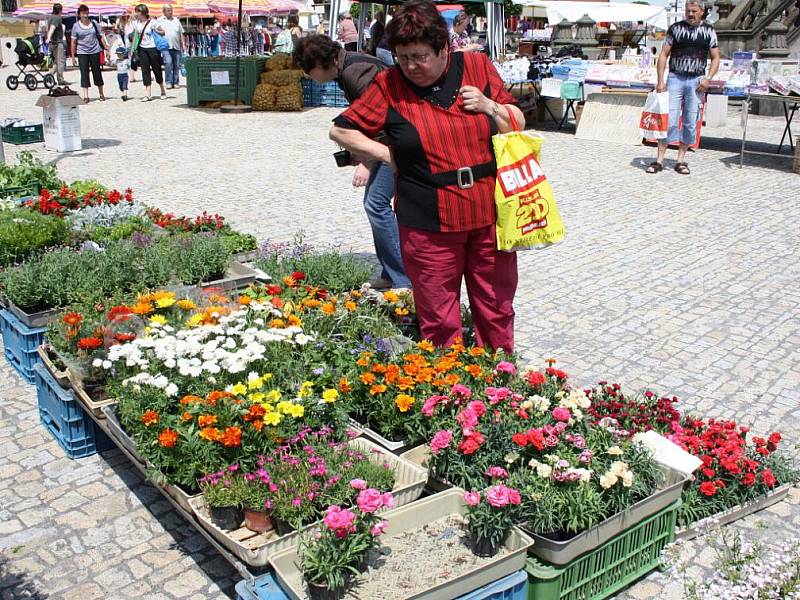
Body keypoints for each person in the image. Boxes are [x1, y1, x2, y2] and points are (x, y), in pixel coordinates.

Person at [330, 0, 523, 351]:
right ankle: (450, 390)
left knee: (495, 307)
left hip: (488, 213)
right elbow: (342, 131)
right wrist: (388, 155)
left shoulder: (477, 66)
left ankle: (500, 382)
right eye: (403, 57)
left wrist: (489, 106)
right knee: (438, 316)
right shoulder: (390, 85)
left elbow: (518, 123)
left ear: (443, 48)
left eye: (419, 56)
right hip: (426, 219)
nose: (411, 66)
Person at [294, 34, 411, 291]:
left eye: (308, 69)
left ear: (321, 62)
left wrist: (367, 162)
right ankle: (391, 272)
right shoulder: (349, 67)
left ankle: (404, 279)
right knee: (375, 204)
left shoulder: (355, 71)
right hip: (389, 143)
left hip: (394, 143)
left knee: (376, 204)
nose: (308, 75)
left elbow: (381, 118)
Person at [647, 0, 720, 175]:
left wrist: (708, 78)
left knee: (690, 121)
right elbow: (664, 55)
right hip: (675, 78)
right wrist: (660, 80)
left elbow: (716, 58)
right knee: (668, 119)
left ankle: (680, 160)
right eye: (688, 10)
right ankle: (659, 160)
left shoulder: (709, 31)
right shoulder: (675, 29)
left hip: (696, 81)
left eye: (694, 11)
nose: (690, 14)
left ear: (701, 12)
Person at [71, 4, 108, 103]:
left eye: (87, 13)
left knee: (97, 72)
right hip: (82, 52)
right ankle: (86, 95)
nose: (86, 15)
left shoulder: (94, 23)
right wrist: (73, 56)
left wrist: (106, 47)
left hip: (95, 50)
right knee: (84, 73)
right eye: (83, 13)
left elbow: (100, 37)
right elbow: (73, 42)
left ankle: (101, 93)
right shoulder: (76, 26)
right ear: (79, 14)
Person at [132, 4, 167, 101]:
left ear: (143, 12)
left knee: (157, 69)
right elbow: (135, 36)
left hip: (152, 48)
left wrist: (156, 30)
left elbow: (163, 32)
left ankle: (162, 90)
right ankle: (148, 94)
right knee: (145, 70)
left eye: (138, 11)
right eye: (136, 11)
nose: (136, 13)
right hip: (142, 49)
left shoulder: (152, 22)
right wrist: (133, 48)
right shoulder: (136, 23)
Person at [157, 3, 184, 89]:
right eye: (168, 10)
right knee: (168, 63)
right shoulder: (160, 20)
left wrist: (183, 44)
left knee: (176, 65)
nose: (170, 12)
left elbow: (181, 33)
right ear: (164, 11)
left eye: (171, 10)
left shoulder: (176, 20)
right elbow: (156, 32)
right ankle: (168, 82)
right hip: (166, 47)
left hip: (176, 46)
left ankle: (175, 82)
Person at [47, 3, 67, 85]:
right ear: (60, 10)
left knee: (55, 62)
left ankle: (49, 76)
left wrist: (49, 38)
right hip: (57, 42)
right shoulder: (57, 18)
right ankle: (60, 79)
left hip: (52, 43)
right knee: (60, 61)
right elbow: (52, 27)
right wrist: (49, 37)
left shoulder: (50, 17)